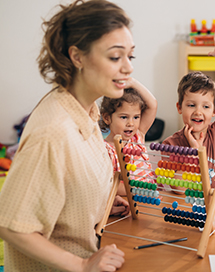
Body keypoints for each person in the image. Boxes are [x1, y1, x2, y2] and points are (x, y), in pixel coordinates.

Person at [0, 0, 136, 271]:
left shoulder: (86, 111)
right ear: (77, 57)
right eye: (114, 57)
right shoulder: (54, 132)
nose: (128, 68)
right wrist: (82, 265)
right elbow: (11, 225)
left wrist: (100, 206)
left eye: (130, 56)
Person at [163, 26, 215, 190]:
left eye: (206, 106)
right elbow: (179, 189)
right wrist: (196, 153)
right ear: (179, 107)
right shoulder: (171, 144)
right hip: (189, 212)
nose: (198, 111)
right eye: (191, 105)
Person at [100, 80, 158, 196]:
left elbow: (153, 105)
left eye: (136, 117)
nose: (131, 123)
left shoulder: (137, 136)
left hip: (151, 200)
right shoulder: (104, 150)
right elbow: (111, 185)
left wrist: (132, 83)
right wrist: (140, 191)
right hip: (128, 202)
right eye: (124, 117)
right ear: (107, 118)